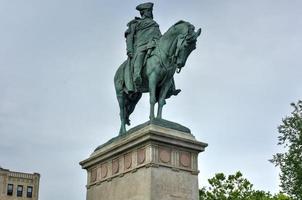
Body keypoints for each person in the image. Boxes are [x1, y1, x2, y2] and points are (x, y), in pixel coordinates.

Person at [125, 2, 161, 90]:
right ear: (143, 12)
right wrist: (130, 50)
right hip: (141, 46)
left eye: (151, 11)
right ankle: (137, 76)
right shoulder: (135, 23)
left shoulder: (154, 24)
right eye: (148, 11)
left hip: (154, 45)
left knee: (165, 59)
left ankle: (170, 86)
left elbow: (159, 35)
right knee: (140, 56)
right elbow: (129, 37)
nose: (150, 12)